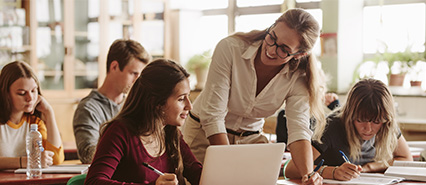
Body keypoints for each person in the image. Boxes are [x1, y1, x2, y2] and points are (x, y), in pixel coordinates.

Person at [182, 8, 325, 184]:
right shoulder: (230, 48)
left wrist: (308, 176)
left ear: (299, 54)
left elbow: (299, 130)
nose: (271, 50)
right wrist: (228, 164)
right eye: (272, 37)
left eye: (284, 49)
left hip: (250, 141)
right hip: (204, 135)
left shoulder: (300, 77)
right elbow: (213, 116)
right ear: (271, 27)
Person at [84, 59, 202, 185]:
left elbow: (197, 174)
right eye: (181, 99)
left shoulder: (171, 134)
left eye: (188, 97)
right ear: (157, 103)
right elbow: (93, 182)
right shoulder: (119, 132)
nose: (190, 106)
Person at [285, 78, 413, 181]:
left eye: (376, 122)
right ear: (350, 115)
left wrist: (370, 167)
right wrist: (333, 172)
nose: (368, 128)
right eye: (360, 120)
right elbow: (290, 169)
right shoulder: (332, 126)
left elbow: (406, 158)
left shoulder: (386, 123)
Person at [73, 39, 151, 164]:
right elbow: (88, 154)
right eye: (133, 73)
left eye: (140, 75)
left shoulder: (135, 106)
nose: (138, 81)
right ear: (114, 66)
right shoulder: (88, 108)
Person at [0, 61, 64, 169]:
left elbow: (56, 159)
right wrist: (25, 162)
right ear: (5, 94)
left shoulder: (34, 123)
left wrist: (49, 112)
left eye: (33, 91)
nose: (30, 98)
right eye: (22, 93)